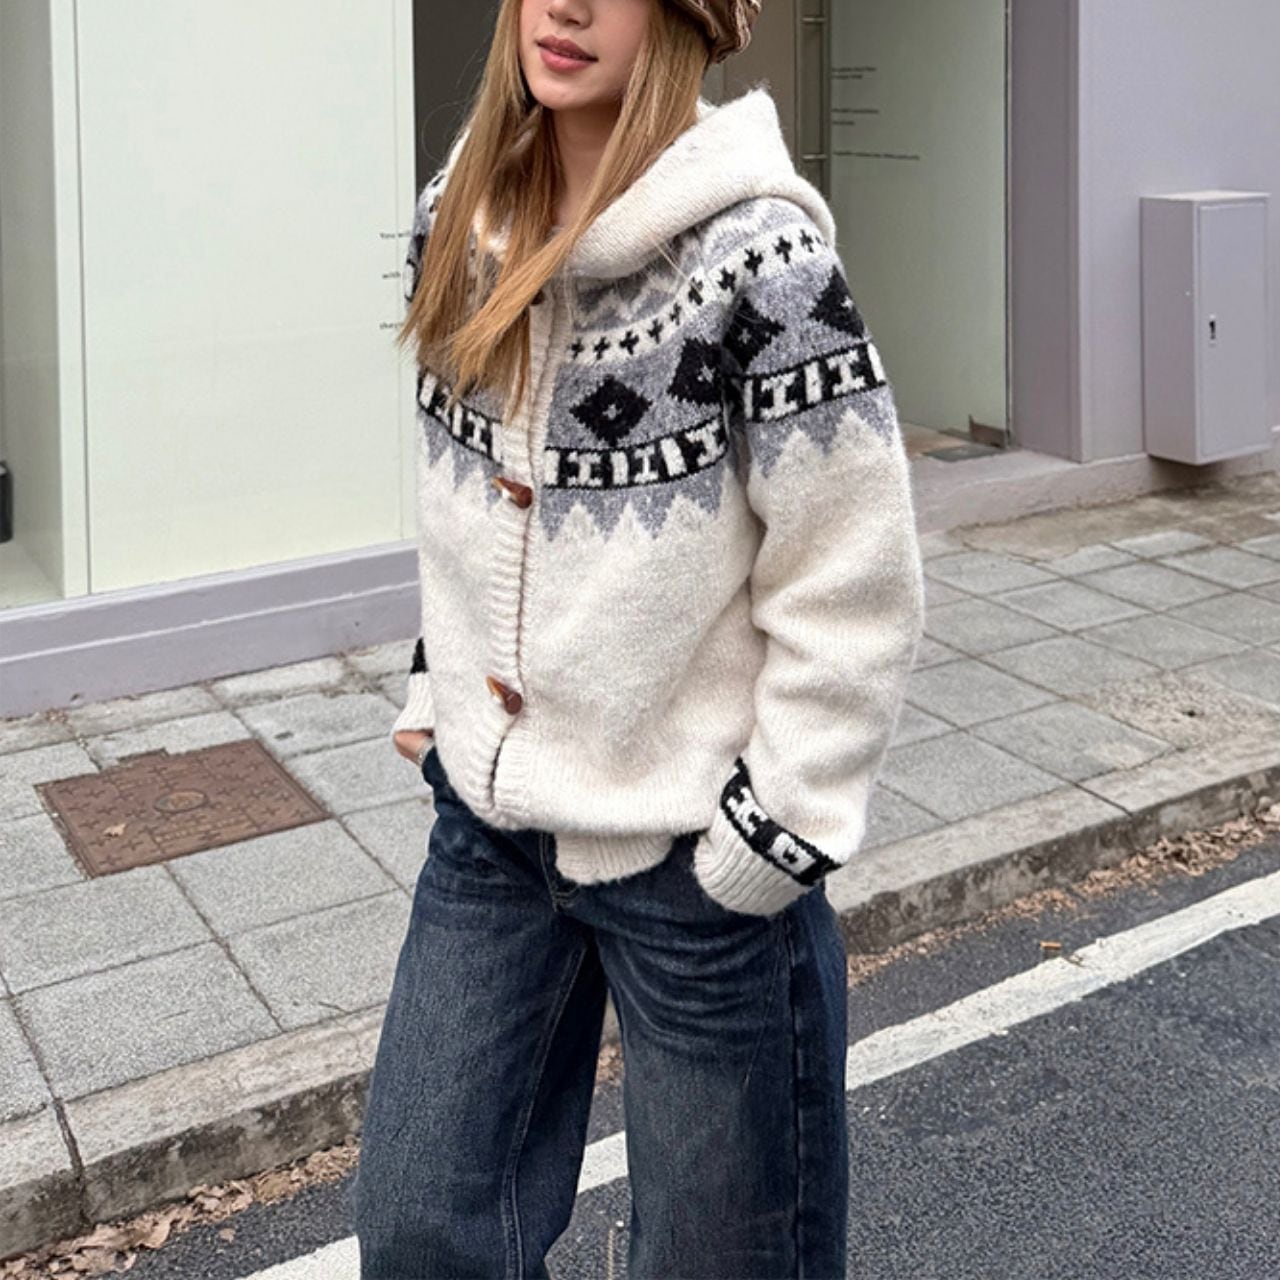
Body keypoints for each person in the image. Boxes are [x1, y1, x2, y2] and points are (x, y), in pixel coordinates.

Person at [353, 0, 926, 1274]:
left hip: (695, 866)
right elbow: (464, 492)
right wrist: (442, 686)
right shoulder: (460, 213)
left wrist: (773, 830)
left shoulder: (759, 261)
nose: (564, 7)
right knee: (415, 1226)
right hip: (491, 840)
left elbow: (852, 574)